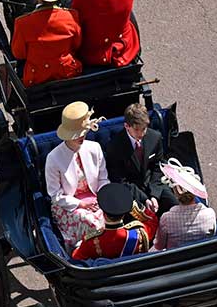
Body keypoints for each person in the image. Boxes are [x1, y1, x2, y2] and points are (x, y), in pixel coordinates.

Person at [45, 101, 108, 248]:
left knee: (113, 215)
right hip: (68, 204)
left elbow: (103, 179)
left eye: (84, 132)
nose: (82, 137)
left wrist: (101, 197)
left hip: (95, 198)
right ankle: (86, 250)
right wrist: (81, 204)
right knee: (92, 222)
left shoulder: (94, 148)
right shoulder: (53, 158)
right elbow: (55, 195)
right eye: (77, 135)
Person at [11, 0, 83, 87]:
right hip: (68, 73)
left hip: (36, 78)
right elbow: (76, 44)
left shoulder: (22, 23)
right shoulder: (71, 16)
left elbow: (19, 54)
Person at [105, 102, 177, 214]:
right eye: (137, 130)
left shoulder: (154, 137)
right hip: (132, 191)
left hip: (154, 184)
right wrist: (144, 199)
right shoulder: (115, 146)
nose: (142, 133)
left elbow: (158, 166)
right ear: (126, 126)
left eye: (144, 129)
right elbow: (119, 179)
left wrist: (154, 195)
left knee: (175, 205)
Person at [73, 183, 159, 260]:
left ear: (103, 212)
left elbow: (76, 257)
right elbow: (152, 219)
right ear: (124, 213)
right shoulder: (140, 233)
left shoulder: (92, 241)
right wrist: (132, 206)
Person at [153, 159, 217, 251]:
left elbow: (159, 246)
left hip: (174, 260)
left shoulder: (166, 218)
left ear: (175, 192)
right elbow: (211, 237)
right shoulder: (210, 214)